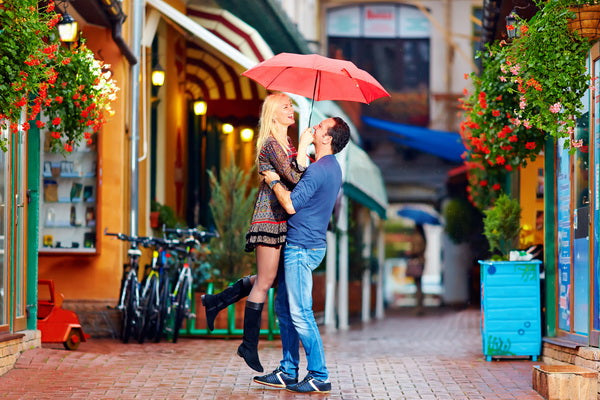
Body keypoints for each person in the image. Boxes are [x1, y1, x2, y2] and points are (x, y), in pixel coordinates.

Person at [201, 93, 312, 372]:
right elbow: (294, 178)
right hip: (268, 220)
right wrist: (305, 148)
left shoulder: (285, 144)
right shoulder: (271, 144)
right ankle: (248, 345)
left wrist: (300, 151)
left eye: (291, 106)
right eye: (286, 107)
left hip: (279, 221)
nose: (291, 110)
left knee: (271, 278)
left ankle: (216, 301)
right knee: (265, 282)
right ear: (273, 113)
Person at [256, 116, 350, 394]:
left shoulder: (321, 170)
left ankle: (319, 375)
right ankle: (288, 370)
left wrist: (273, 180)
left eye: (321, 127)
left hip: (301, 247)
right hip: (306, 245)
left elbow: (292, 205)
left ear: (328, 139)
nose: (315, 127)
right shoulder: (330, 167)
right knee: (285, 309)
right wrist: (302, 151)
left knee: (300, 313)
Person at [406, 223, 426, 316]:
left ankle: (419, 306)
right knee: (419, 284)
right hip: (421, 262)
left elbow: (415, 250)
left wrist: (411, 254)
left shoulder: (417, 237)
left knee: (417, 285)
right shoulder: (423, 237)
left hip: (416, 262)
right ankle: (420, 305)